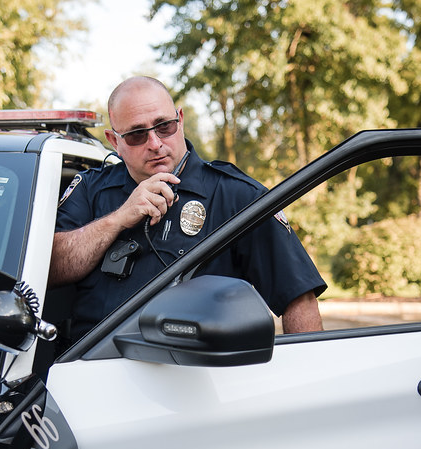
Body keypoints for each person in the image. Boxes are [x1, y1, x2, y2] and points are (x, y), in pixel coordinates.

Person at [51, 76, 326, 341]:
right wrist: (118, 219)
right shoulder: (90, 189)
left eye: (164, 126)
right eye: (137, 135)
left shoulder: (237, 196)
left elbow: (298, 299)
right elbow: (52, 268)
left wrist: (305, 380)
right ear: (115, 142)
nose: (155, 144)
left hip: (193, 379)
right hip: (88, 374)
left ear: (180, 120)